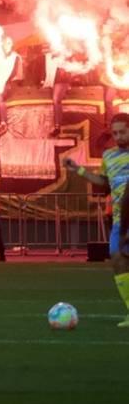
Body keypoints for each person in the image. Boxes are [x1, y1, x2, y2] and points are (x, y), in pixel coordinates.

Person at [63, 111, 129, 328]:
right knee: (118, 259)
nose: (119, 137)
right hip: (121, 217)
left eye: (123, 132)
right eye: (115, 133)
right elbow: (103, 181)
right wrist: (78, 170)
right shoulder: (109, 156)